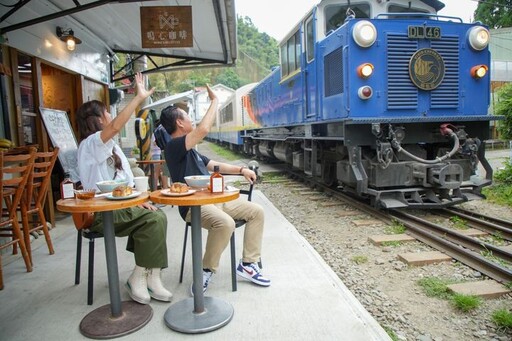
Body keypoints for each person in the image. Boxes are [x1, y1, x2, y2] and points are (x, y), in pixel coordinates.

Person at [160, 84, 271, 294]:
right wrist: (214, 102)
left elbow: (215, 166)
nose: (192, 120)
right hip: (194, 206)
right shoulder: (174, 147)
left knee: (257, 212)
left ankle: (248, 264)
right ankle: (206, 270)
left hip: (215, 200)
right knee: (225, 224)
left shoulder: (191, 150)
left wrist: (241, 170)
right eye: (188, 116)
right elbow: (203, 130)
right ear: (179, 122)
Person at [76, 72, 172, 304]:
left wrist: (139, 200)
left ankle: (151, 276)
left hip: (120, 208)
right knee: (155, 220)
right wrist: (138, 98)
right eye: (107, 112)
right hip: (101, 212)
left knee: (155, 215)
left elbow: (126, 184)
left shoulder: (111, 147)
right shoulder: (90, 144)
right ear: (97, 120)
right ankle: (140, 276)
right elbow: (116, 127)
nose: (110, 116)